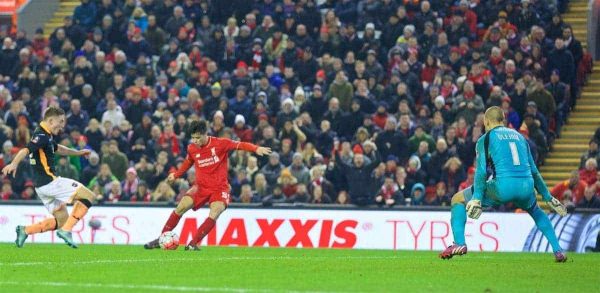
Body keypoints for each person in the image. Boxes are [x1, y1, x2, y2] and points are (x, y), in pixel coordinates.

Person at [439, 106, 568, 262]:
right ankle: (558, 250)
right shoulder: (520, 137)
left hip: (503, 186)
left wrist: (477, 198)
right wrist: (547, 196)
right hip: (527, 186)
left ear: (486, 121)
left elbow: (480, 172)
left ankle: (459, 243)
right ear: (503, 120)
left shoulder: (485, 139)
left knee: (457, 199)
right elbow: (534, 171)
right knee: (536, 211)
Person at [144, 120, 271, 250]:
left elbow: (240, 145)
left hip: (219, 188)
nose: (195, 141)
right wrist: (176, 174)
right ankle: (161, 239)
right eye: (193, 138)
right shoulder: (192, 148)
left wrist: (256, 148)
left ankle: (193, 244)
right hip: (200, 187)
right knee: (180, 207)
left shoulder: (221, 143)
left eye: (198, 138)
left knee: (215, 212)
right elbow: (188, 162)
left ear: (205, 134)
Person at [2, 107, 95, 248]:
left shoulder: (46, 136)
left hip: (41, 187)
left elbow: (59, 149)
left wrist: (78, 153)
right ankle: (67, 231)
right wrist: (14, 163)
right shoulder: (41, 136)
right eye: (61, 121)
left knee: (62, 220)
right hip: (51, 183)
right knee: (89, 196)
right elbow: (25, 150)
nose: (62, 125)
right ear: (51, 120)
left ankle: (25, 230)